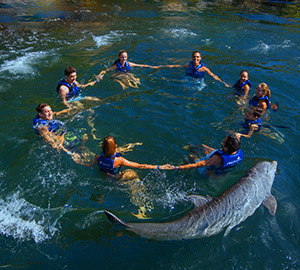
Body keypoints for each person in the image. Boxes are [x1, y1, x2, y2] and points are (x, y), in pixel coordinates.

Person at [75, 135, 170, 180]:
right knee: (133, 173)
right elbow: (140, 166)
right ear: (115, 146)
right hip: (116, 179)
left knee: (120, 151)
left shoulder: (97, 157)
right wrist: (159, 167)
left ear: (102, 147)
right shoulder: (120, 161)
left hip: (104, 176)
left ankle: (130, 146)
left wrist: (78, 162)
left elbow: (89, 165)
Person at [168, 134, 243, 173]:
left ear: (226, 148)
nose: (223, 140)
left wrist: (176, 167)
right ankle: (187, 147)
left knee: (191, 157)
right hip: (221, 165)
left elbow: (198, 165)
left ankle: (181, 168)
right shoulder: (236, 150)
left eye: (224, 141)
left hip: (206, 170)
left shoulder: (216, 158)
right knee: (203, 147)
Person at [162, 50, 230, 87]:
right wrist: (161, 66)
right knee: (184, 88)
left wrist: (223, 83)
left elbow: (213, 75)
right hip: (189, 78)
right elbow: (175, 66)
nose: (196, 58)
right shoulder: (189, 66)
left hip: (199, 81)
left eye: (197, 57)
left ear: (200, 58)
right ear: (192, 58)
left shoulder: (203, 69)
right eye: (194, 57)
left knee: (195, 93)